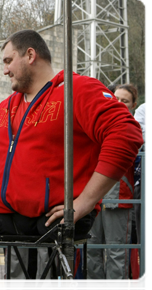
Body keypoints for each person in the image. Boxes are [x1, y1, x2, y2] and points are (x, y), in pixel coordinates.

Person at [0, 30, 143, 289]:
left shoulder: (76, 89)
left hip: (51, 230)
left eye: (8, 60)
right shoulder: (6, 106)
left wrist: (85, 202)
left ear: (30, 55)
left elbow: (126, 133)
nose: (4, 70)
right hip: (10, 230)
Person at [87, 83, 139, 290]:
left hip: (119, 198)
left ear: (133, 105)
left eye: (124, 101)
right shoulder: (96, 124)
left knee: (117, 251)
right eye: (115, 99)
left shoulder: (133, 127)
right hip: (91, 198)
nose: (118, 104)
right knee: (91, 249)